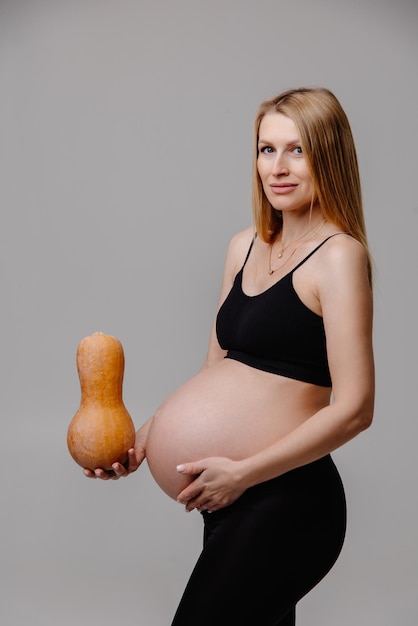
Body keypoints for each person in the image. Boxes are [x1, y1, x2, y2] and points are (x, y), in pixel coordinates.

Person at [84, 87, 375, 625]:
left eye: (298, 149)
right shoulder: (243, 247)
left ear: (328, 156)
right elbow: (217, 368)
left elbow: (355, 408)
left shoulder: (339, 258)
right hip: (225, 500)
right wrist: (145, 438)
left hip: (286, 500)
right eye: (266, 149)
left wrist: (243, 472)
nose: (278, 168)